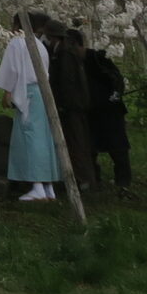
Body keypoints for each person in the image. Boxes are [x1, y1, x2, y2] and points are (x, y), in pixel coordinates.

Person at [0, 14, 60, 201]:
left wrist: (8, 92)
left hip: (29, 92)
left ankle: (37, 185)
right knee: (43, 137)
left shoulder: (18, 43)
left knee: (30, 136)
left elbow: (13, 69)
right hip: (42, 92)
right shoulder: (39, 44)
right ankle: (48, 186)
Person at [50, 24, 98, 189]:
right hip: (77, 104)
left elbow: (67, 81)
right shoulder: (68, 53)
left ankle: (82, 178)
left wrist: (63, 104)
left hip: (71, 106)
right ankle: (84, 177)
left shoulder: (64, 54)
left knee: (75, 141)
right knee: (77, 140)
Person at [83, 35, 133, 191]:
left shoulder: (99, 58)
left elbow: (116, 79)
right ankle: (93, 180)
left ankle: (123, 182)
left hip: (110, 110)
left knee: (118, 149)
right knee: (89, 148)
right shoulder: (72, 62)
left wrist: (115, 94)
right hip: (90, 111)